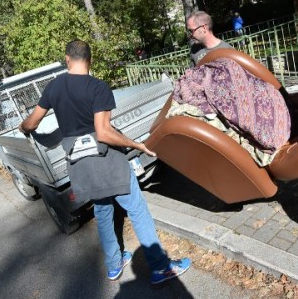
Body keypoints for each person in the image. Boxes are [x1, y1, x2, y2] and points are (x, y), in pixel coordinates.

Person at [19, 40, 191, 284]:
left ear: (67, 59)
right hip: (106, 159)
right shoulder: (97, 87)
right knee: (137, 209)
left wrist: (23, 127)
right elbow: (103, 132)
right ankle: (160, 267)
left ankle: (114, 264)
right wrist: (136, 144)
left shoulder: (53, 88)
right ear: (90, 60)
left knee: (102, 210)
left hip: (79, 164)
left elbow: (31, 123)